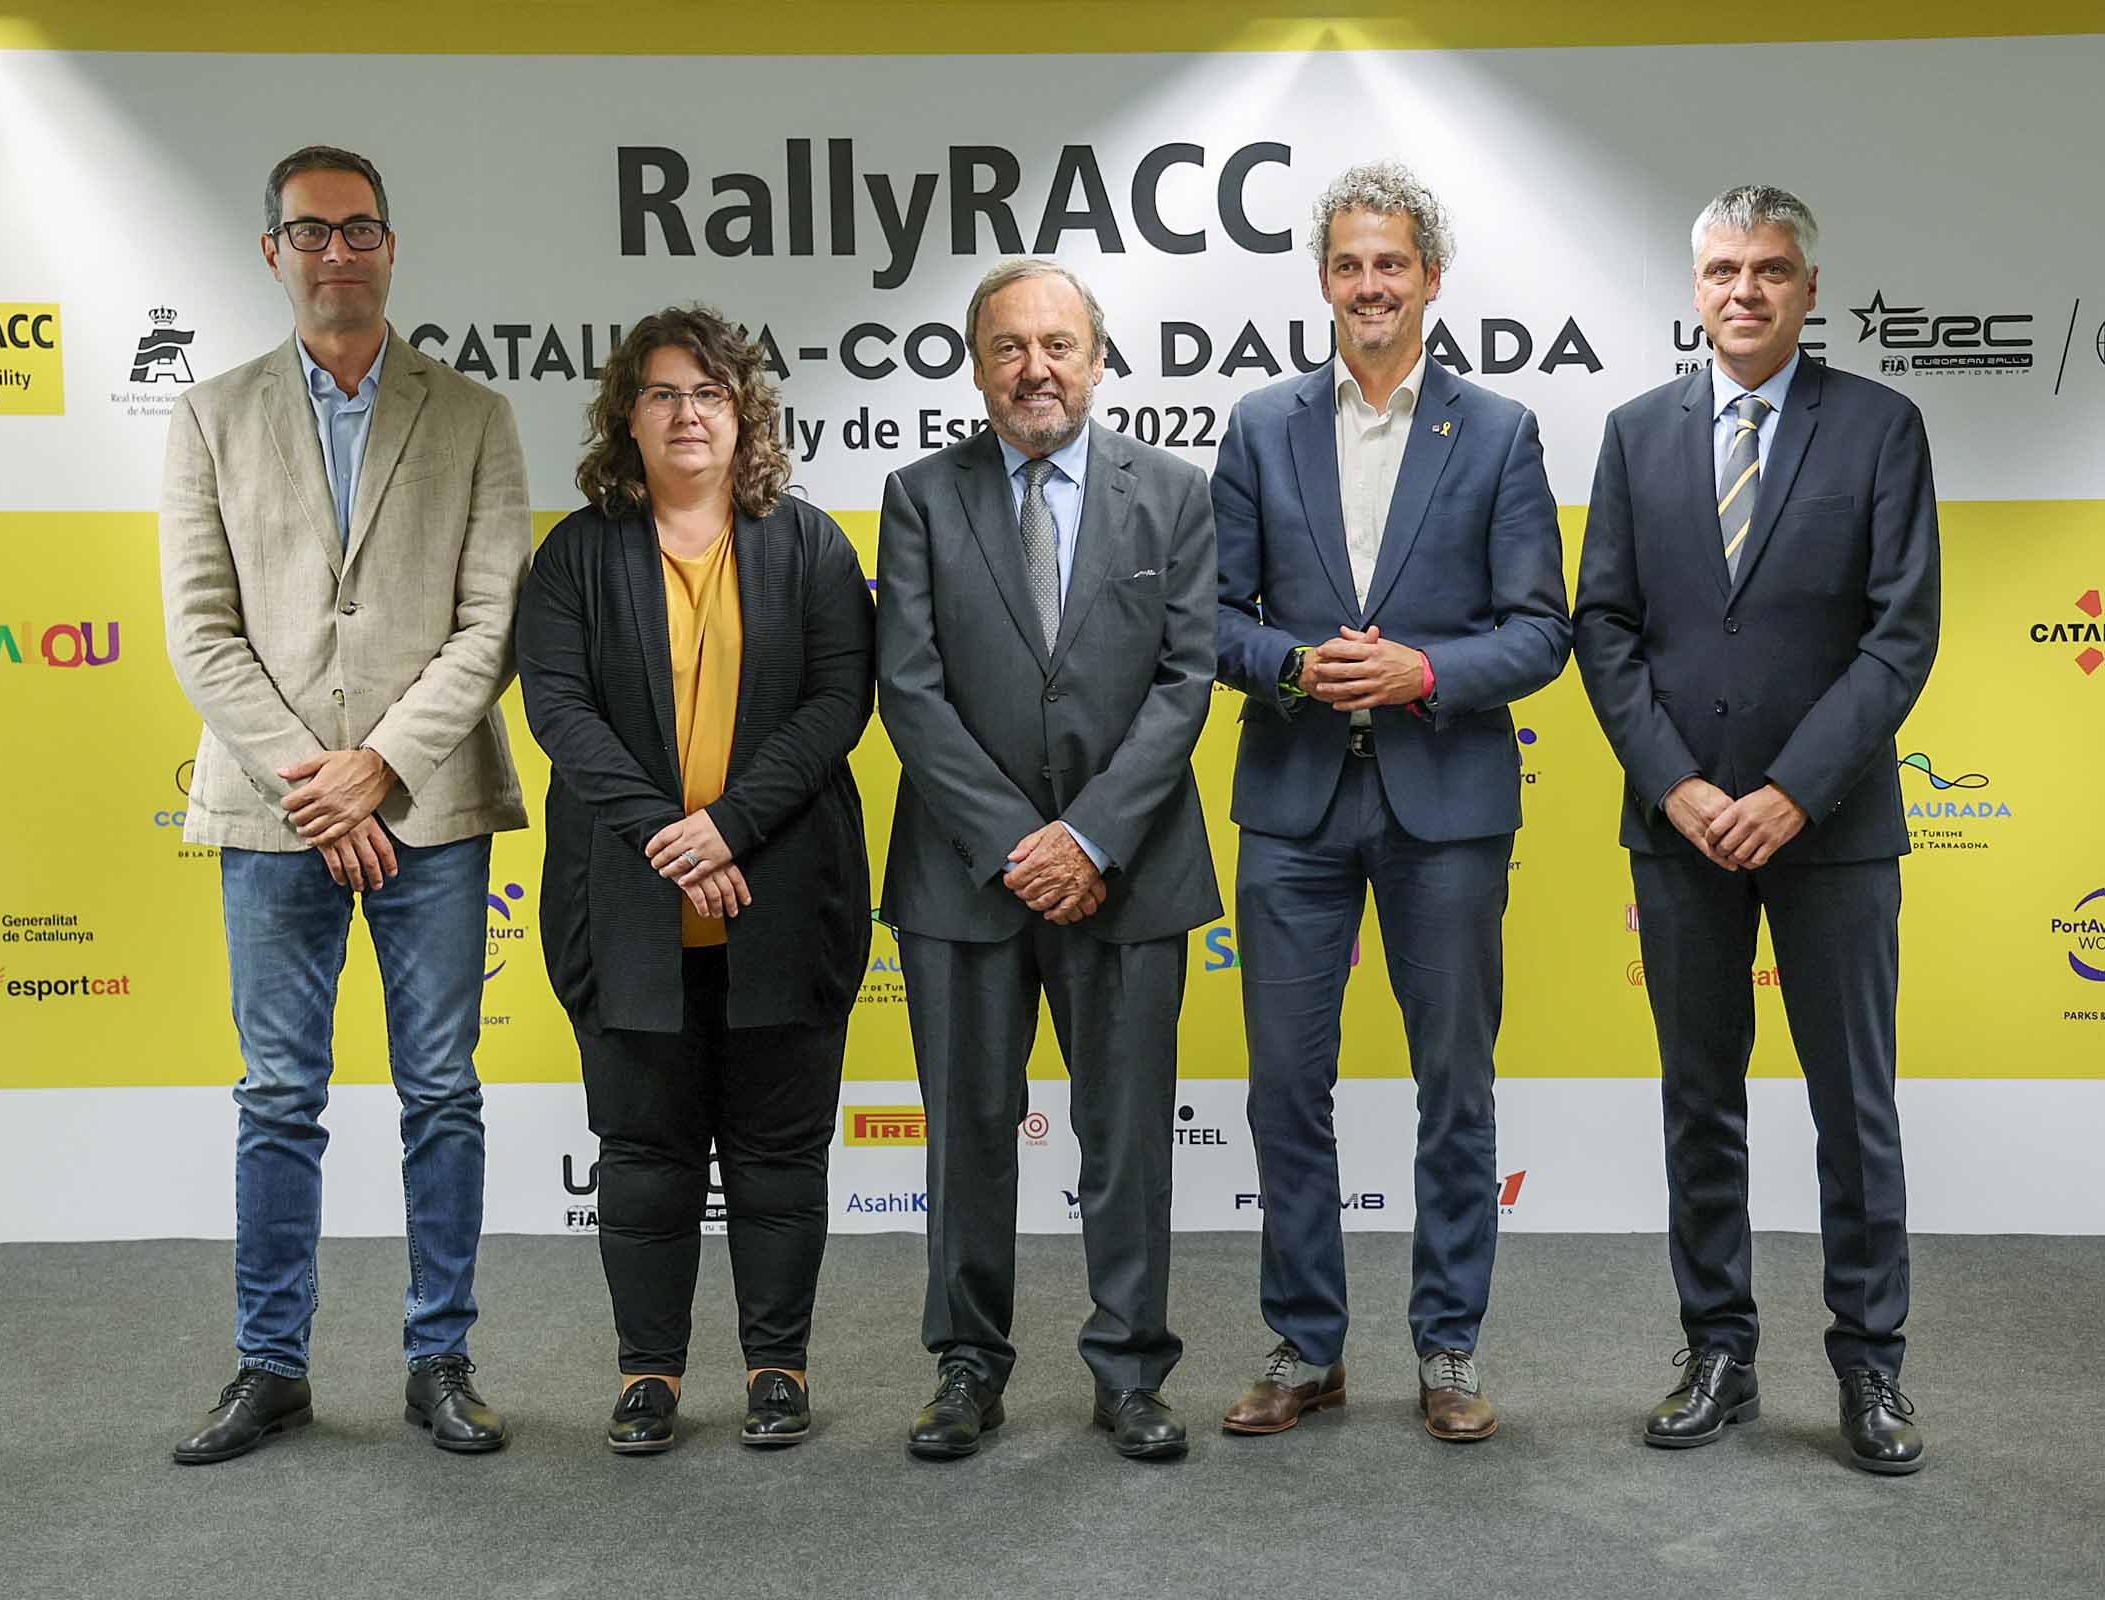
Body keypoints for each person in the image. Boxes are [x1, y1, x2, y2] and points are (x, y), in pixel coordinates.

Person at [161, 145, 529, 1463]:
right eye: (311, 231)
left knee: (441, 1091)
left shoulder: (473, 414)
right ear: (274, 251)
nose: (337, 251)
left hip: (429, 807)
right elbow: (202, 632)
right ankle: (271, 1368)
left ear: (389, 246)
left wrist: (383, 766)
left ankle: (442, 1362)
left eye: (359, 228)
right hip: (274, 816)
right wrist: (321, 784)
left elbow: (491, 622)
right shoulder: (208, 415)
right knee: (277, 1096)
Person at [1575, 185, 1939, 1474]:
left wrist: (1790, 790)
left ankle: (1870, 1366)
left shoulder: (1880, 427)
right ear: (1695, 289)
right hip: (1678, 830)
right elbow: (1603, 627)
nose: (1744, 290)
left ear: (1807, 288)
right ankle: (1715, 1352)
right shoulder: (1634, 433)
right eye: (1724, 269)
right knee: (1698, 1100)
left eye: (1770, 269)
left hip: (1831, 829)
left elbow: (1899, 636)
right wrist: (1675, 785)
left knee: (1854, 1103)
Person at [1211, 161, 1570, 1443]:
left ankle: (1447, 1345)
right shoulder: (1258, 425)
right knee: (1281, 1088)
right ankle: (1306, 1344)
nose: (1371, 285)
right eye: (1349, 264)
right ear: (1322, 281)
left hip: (1447, 806)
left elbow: (1540, 630)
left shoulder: (1498, 432)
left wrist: (1423, 671)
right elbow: (1210, 618)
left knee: (1453, 1086)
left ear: (1430, 278)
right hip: (1293, 803)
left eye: (1392, 264)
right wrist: (1293, 664)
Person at [876, 258, 1220, 1462]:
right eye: (1009, 348)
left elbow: (1185, 682)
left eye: (1058, 345)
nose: (1035, 370)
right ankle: (966, 1366)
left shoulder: (1172, 494)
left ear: (1098, 359)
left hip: (1129, 869)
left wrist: (1088, 836)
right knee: (968, 1132)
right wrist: (1015, 842)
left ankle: (1129, 1369)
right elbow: (909, 687)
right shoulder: (919, 496)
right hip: (961, 875)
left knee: (1124, 1139)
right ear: (976, 367)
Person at [515, 307, 874, 1455]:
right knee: (642, 1159)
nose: (686, 414)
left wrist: (727, 826)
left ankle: (777, 1367)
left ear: (743, 413)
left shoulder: (809, 546)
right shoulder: (576, 556)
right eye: (662, 392)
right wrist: (670, 839)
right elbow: (557, 710)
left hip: (785, 899)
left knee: (779, 1155)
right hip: (625, 909)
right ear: (626, 415)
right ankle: (647, 1374)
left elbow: (837, 702)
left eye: (708, 393)